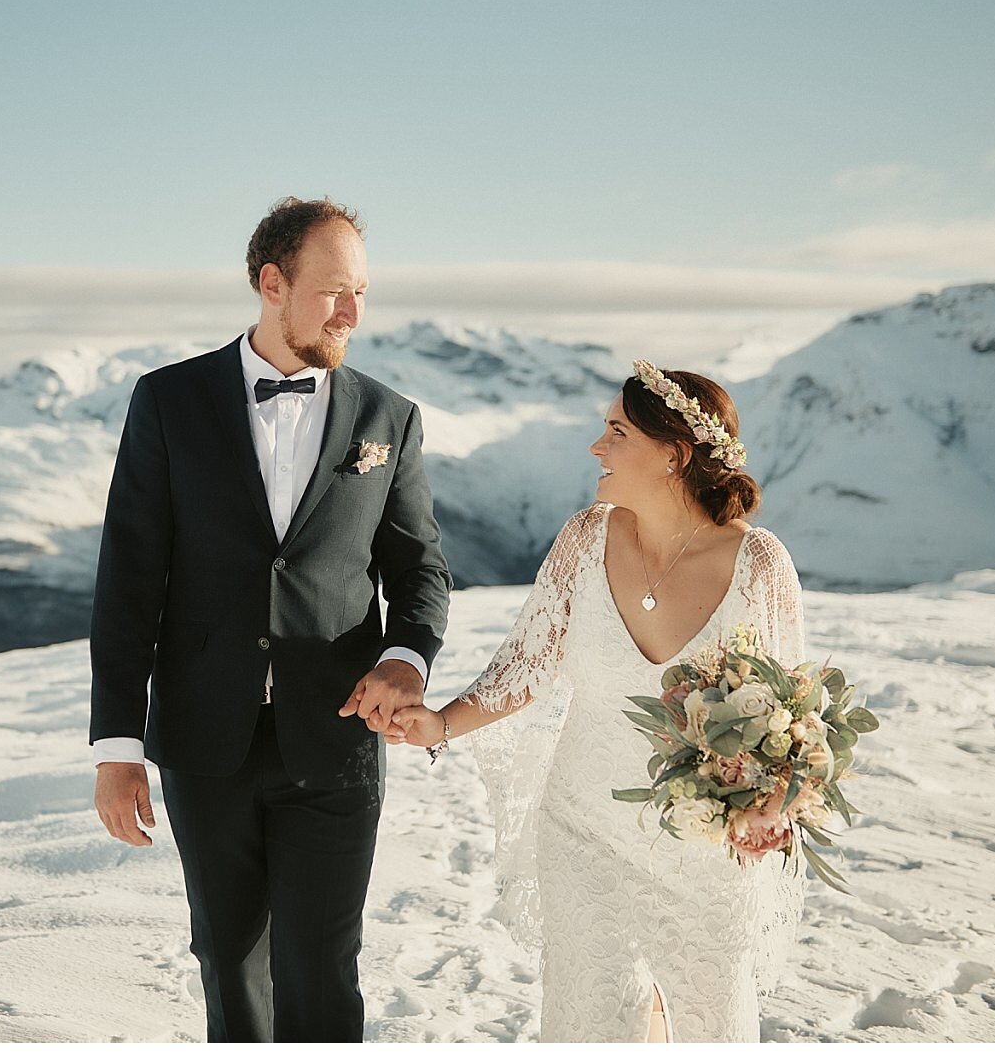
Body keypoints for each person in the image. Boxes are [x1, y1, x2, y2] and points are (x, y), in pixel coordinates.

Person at [89, 197, 451, 1042]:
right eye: (333, 292)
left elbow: (420, 569)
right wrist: (117, 748)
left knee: (323, 969)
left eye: (361, 293)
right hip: (203, 740)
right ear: (271, 283)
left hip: (336, 738)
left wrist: (406, 659)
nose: (353, 314)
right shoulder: (168, 402)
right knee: (227, 962)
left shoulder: (386, 417)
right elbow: (128, 583)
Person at [387, 362, 806, 1042]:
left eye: (616, 430)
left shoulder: (759, 564)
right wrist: (438, 723)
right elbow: (524, 668)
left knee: (712, 1028)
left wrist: (769, 802)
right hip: (582, 835)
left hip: (701, 854)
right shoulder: (585, 539)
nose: (596, 446)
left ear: (673, 454)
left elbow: (789, 718)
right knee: (590, 1026)